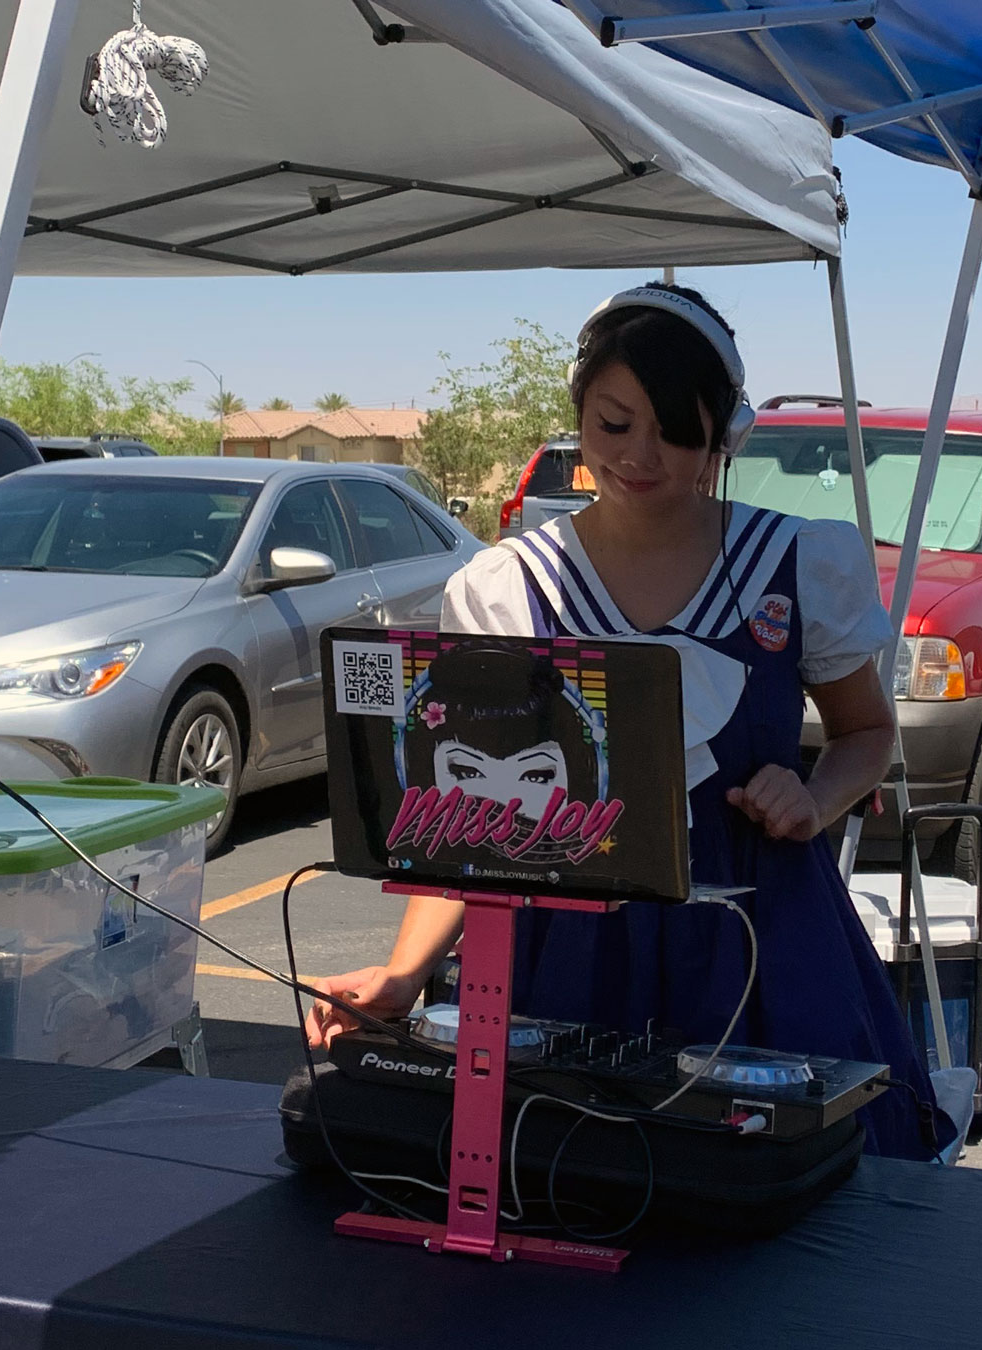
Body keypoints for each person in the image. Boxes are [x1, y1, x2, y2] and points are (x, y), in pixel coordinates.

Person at [306, 282, 949, 1160]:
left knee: (781, 1206)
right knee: (573, 1185)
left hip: (761, 942)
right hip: (568, 953)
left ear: (724, 432)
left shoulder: (795, 562)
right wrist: (405, 970)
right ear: (579, 416)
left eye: (678, 431)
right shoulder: (510, 588)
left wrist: (814, 795)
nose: (643, 456)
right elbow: (473, 829)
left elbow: (867, 732)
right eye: (615, 424)